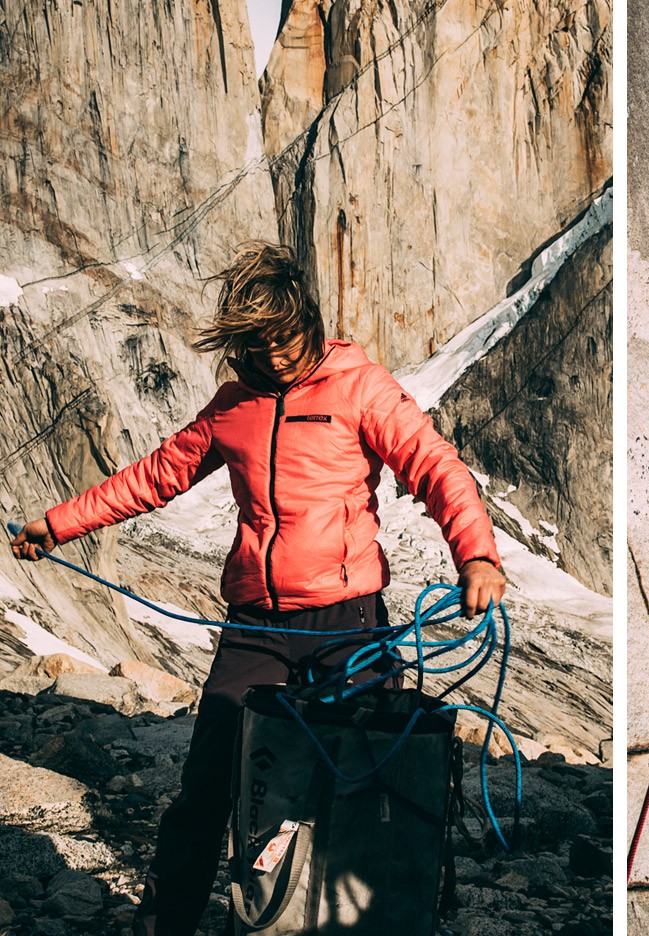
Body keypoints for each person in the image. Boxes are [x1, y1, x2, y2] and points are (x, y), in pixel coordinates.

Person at [9, 242, 507, 935]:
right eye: (258, 344)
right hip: (256, 628)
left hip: (350, 625)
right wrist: (57, 525)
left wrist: (476, 556)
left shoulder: (358, 386)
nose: (274, 356)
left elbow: (436, 466)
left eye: (285, 339)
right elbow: (154, 477)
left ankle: (360, 920)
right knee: (208, 787)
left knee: (361, 783)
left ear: (308, 318)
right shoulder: (232, 406)